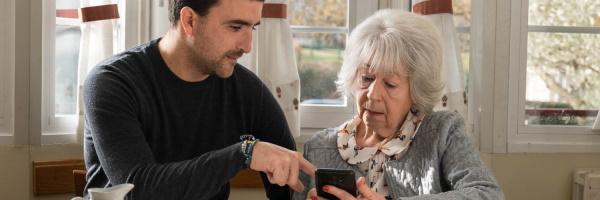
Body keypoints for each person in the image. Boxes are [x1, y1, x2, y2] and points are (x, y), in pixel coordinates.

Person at [83, 0, 315, 199]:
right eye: (235, 27)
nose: (247, 46)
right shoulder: (112, 82)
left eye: (252, 28)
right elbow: (137, 190)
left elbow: (292, 187)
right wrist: (244, 154)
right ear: (189, 21)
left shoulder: (248, 91)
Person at [293, 9, 504, 200]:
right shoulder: (319, 148)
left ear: (416, 90)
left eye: (390, 84)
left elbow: (487, 194)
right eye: (366, 78)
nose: (373, 94)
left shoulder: (442, 133)